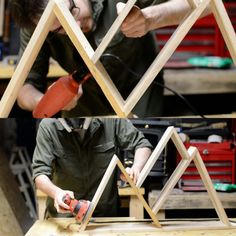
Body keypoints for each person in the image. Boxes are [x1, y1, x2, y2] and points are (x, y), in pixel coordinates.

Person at [9, 0, 210, 117]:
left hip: (139, 94)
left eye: (72, 12)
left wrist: (151, 18)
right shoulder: (36, 26)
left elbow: (208, 4)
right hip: (84, 108)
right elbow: (23, 88)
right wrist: (44, 101)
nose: (74, 27)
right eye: (60, 28)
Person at [32, 118, 153, 218]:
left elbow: (142, 144)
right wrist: (56, 193)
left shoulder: (111, 119)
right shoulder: (48, 125)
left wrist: (136, 168)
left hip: (105, 216)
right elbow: (39, 173)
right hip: (65, 217)